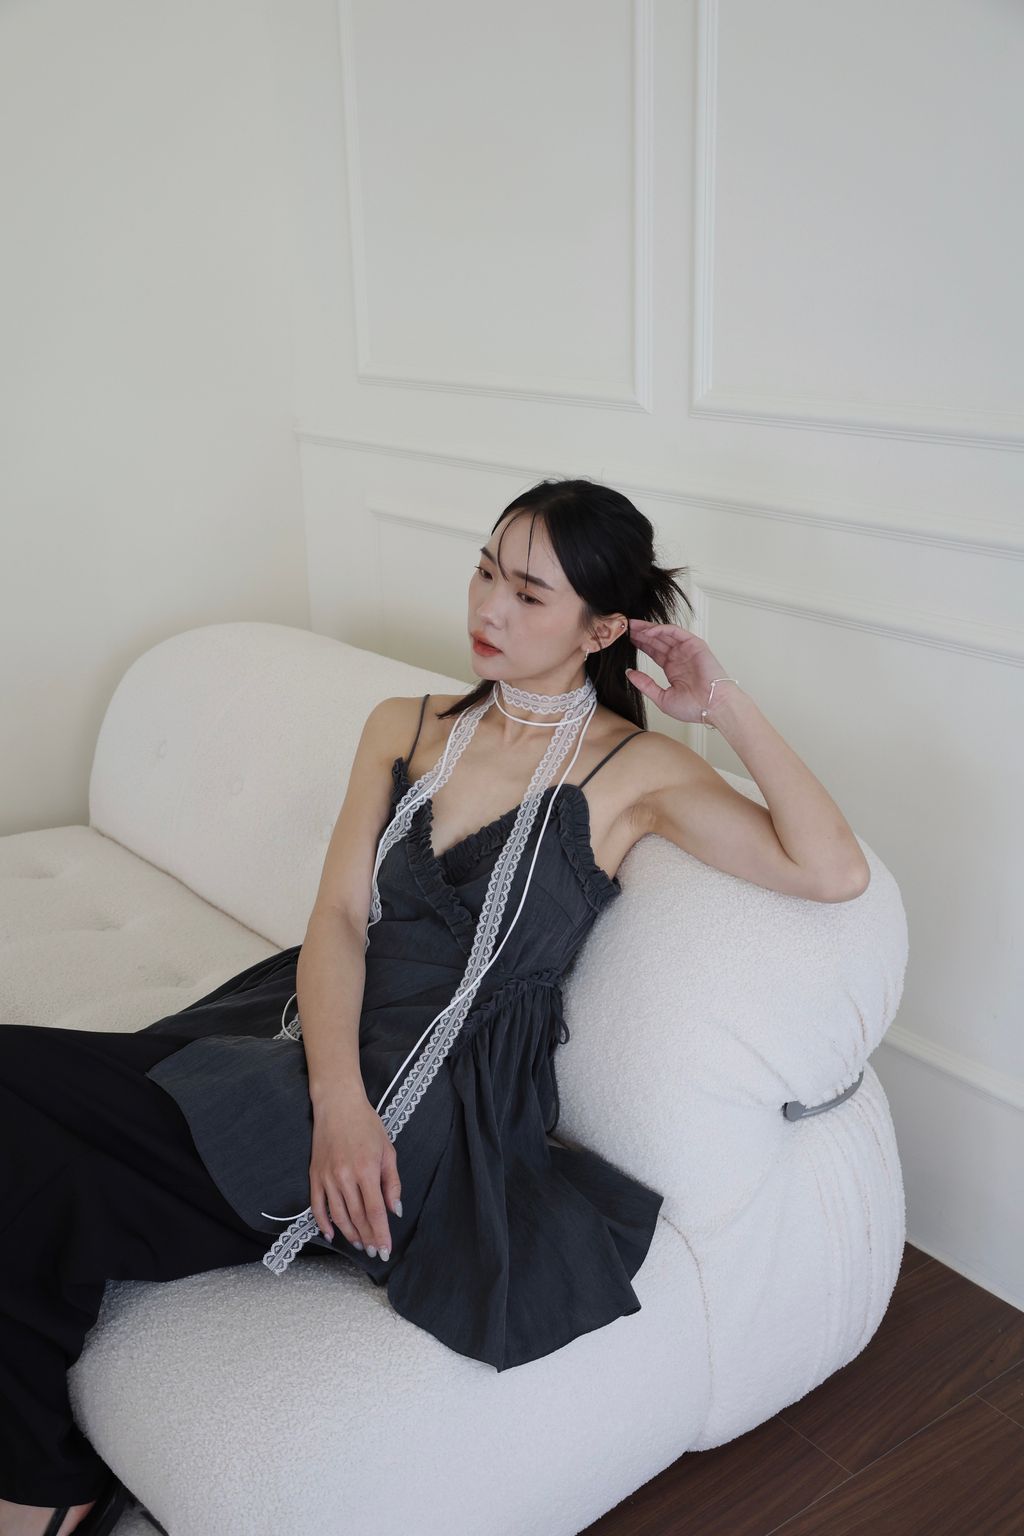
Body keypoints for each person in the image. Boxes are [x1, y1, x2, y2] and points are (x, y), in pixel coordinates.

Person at [0, 477, 870, 1536]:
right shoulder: (404, 726)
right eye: (485, 572)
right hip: (307, 1039)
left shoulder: (634, 771)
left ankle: (43, 1490)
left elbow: (831, 871)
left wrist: (718, 701)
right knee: (37, 1144)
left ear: (601, 629)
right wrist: (335, 1099)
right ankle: (48, 1483)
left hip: (436, 1105)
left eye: (529, 595)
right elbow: (336, 919)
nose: (488, 609)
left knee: (41, 1149)